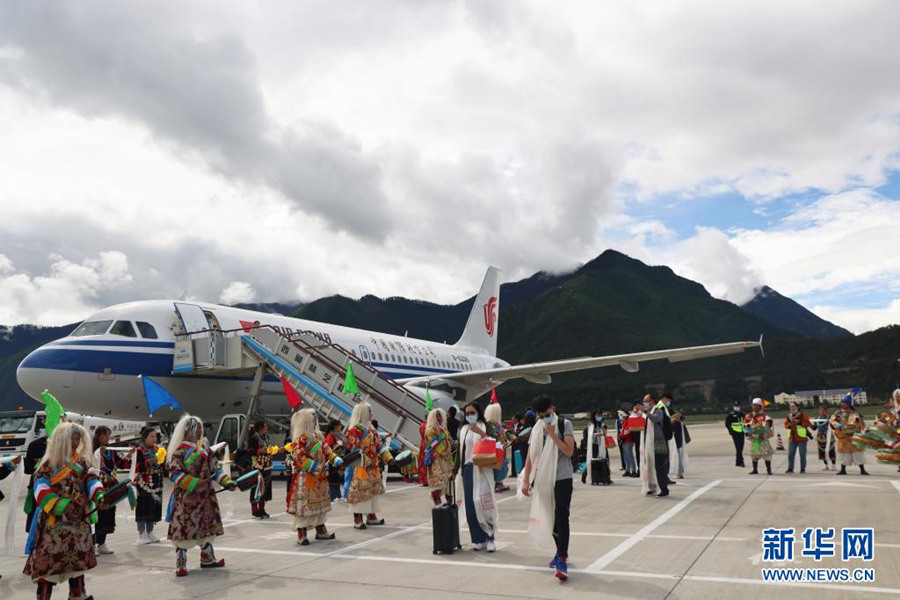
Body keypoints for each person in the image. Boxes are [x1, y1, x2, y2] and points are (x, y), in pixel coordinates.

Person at [23, 421, 105, 600]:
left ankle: (77, 595)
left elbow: (92, 480)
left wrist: (99, 495)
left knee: (78, 563)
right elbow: (40, 487)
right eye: (71, 439)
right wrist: (59, 505)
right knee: (48, 566)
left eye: (77, 439)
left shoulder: (83, 463)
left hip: (79, 524)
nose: (75, 443)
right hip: (54, 524)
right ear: (61, 440)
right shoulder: (48, 464)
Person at [166, 414, 236, 577]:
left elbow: (215, 469)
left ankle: (207, 558)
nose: (201, 431)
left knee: (207, 527)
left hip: (206, 498)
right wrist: (196, 483)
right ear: (189, 430)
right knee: (185, 530)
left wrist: (227, 482)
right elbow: (174, 473)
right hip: (187, 499)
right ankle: (181, 563)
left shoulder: (204, 449)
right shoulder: (180, 451)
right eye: (198, 428)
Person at [521, 395, 576, 581]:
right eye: (541, 415)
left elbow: (569, 451)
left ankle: (562, 558)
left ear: (553, 408)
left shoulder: (564, 424)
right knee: (550, 517)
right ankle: (560, 550)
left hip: (562, 477)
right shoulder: (537, 429)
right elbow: (531, 456)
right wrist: (526, 480)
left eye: (547, 414)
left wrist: (552, 434)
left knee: (562, 516)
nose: (545, 418)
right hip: (544, 479)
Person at [287, 408, 341, 545]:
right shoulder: (300, 439)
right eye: (313, 419)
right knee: (305, 506)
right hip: (307, 477)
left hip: (320, 477)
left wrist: (334, 458)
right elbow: (299, 458)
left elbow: (327, 450)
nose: (316, 421)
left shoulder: (318, 437)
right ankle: (302, 533)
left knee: (321, 505)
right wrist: (317, 468)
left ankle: (320, 529)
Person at [455, 401, 498, 552]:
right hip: (468, 469)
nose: (469, 416)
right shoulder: (463, 429)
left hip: (482, 470)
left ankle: (490, 537)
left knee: (485, 504)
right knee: (470, 507)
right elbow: (460, 452)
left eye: (472, 413)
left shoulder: (486, 426)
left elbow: (494, 442)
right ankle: (478, 539)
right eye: (467, 413)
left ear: (478, 413)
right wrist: (454, 470)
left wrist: (480, 432)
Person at [91, 426, 135, 554]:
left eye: (108, 435)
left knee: (108, 514)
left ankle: (102, 543)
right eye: (105, 435)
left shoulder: (111, 451)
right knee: (97, 514)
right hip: (98, 487)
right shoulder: (93, 450)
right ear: (98, 436)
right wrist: (98, 453)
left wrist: (129, 455)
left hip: (111, 487)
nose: (107, 438)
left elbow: (121, 464)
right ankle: (92, 544)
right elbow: (91, 464)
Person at [345, 402, 388, 529]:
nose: (371, 414)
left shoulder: (372, 430)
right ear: (363, 413)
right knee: (359, 492)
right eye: (369, 412)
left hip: (373, 467)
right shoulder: (353, 431)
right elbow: (354, 451)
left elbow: (379, 445)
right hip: (361, 467)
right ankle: (357, 518)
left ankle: (371, 515)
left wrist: (387, 456)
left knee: (373, 491)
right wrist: (367, 461)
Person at [134, 426, 164, 544]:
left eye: (155, 437)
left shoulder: (158, 450)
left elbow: (161, 465)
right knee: (143, 507)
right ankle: (141, 534)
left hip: (156, 483)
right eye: (151, 437)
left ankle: (150, 532)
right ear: (144, 438)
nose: (154, 439)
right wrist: (147, 463)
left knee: (153, 507)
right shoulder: (139, 451)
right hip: (144, 483)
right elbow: (135, 467)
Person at [641, 395, 673, 497]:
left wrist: (646, 412)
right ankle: (652, 486)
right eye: (644, 401)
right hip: (650, 444)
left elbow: (655, 419)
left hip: (659, 443)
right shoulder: (647, 413)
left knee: (660, 467)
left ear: (652, 401)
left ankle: (664, 489)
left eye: (646, 401)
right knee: (650, 466)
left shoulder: (658, 411)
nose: (645, 403)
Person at [830, 397, 869, 476]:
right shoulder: (838, 413)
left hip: (854, 436)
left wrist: (862, 431)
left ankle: (862, 469)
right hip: (843, 436)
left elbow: (861, 424)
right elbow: (832, 421)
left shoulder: (855, 414)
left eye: (843, 403)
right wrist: (837, 425)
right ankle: (843, 469)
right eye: (842, 402)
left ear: (848, 404)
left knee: (858, 454)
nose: (842, 404)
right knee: (844, 454)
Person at [423, 408, 454, 506]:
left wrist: (453, 444)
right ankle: (438, 505)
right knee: (437, 485)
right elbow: (435, 445)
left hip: (446, 460)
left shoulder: (443, 429)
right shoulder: (430, 431)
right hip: (436, 460)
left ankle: (449, 505)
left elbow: (449, 440)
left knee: (449, 484)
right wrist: (445, 452)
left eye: (440, 415)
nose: (439, 418)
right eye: (436, 416)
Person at [247, 420, 274, 518]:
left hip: (266, 466)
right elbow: (249, 451)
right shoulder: (254, 438)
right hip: (258, 466)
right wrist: (259, 451)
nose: (267, 428)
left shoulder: (266, 437)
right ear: (261, 428)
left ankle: (262, 509)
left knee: (265, 488)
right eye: (265, 426)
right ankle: (255, 510)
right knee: (256, 487)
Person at [485, 401, 512, 493]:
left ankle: (499, 483)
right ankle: (498, 483)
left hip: (499, 449)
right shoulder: (490, 425)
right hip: (495, 450)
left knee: (501, 465)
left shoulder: (496, 425)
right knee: (498, 467)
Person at [23, 431, 48, 534]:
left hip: (60, 491)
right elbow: (28, 469)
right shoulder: (36, 445)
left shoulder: (67, 444)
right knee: (36, 525)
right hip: (38, 489)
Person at [744, 398, 773, 475]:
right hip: (754, 439)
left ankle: (769, 470)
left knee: (766, 453)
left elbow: (768, 425)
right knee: (754, 454)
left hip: (762, 438)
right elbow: (746, 426)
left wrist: (763, 433)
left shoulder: (765, 416)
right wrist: (747, 433)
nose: (754, 407)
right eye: (753, 405)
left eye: (756, 405)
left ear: (760, 406)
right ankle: (755, 469)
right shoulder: (749, 416)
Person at [581, 411, 608, 485]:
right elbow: (590, 434)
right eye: (598, 415)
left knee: (602, 459)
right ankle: (585, 473)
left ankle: (604, 476)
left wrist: (603, 430)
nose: (599, 417)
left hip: (601, 444)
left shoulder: (602, 423)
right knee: (593, 461)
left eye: (600, 415)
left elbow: (605, 433)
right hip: (593, 444)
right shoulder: (591, 424)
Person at [784, 402, 812, 474]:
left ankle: (802, 468)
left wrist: (799, 422)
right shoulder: (788, 416)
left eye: (793, 406)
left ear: (797, 407)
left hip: (801, 438)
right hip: (792, 437)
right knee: (790, 454)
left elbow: (808, 423)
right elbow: (786, 425)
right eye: (791, 406)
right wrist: (789, 425)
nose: (792, 408)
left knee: (802, 454)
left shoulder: (802, 415)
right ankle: (790, 468)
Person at [324, 420, 345, 502]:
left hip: (340, 459)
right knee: (333, 477)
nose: (341, 426)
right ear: (335, 426)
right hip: (333, 460)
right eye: (340, 425)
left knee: (339, 477)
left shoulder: (340, 435)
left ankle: (338, 495)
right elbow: (327, 447)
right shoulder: (330, 436)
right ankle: (333, 496)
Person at [810, 405, 836, 471]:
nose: (822, 412)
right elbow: (814, 428)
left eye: (823, 410)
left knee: (831, 450)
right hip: (820, 437)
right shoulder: (817, 418)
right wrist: (809, 424)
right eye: (820, 410)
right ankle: (826, 465)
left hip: (829, 436)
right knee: (822, 451)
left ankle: (833, 465)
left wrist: (832, 422)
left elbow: (834, 426)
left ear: (826, 411)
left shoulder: (829, 418)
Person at [725, 401, 746, 467]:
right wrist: (730, 431)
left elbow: (745, 423)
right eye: (736, 406)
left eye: (738, 406)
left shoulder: (742, 414)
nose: (737, 407)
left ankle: (737, 461)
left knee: (741, 447)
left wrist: (746, 431)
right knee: (738, 447)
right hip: (735, 433)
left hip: (741, 432)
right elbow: (727, 424)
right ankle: (741, 461)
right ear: (734, 406)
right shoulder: (731, 414)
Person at [671, 405, 689, 479]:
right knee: (679, 457)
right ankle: (680, 472)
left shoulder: (675, 423)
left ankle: (680, 473)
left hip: (676, 443)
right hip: (679, 442)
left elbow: (671, 433)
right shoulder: (680, 423)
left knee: (678, 458)